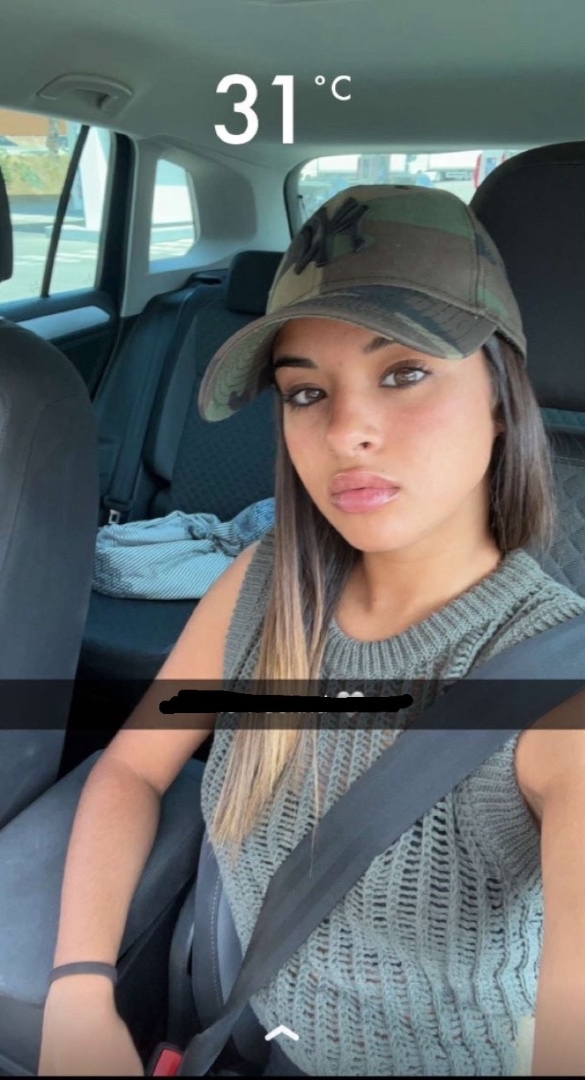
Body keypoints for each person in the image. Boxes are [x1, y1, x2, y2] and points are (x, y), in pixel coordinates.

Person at [38, 185, 585, 1077]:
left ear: (499, 392)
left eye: (402, 373)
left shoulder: (555, 693)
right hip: (240, 1028)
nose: (345, 431)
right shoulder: (263, 586)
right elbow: (133, 768)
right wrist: (78, 991)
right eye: (304, 391)